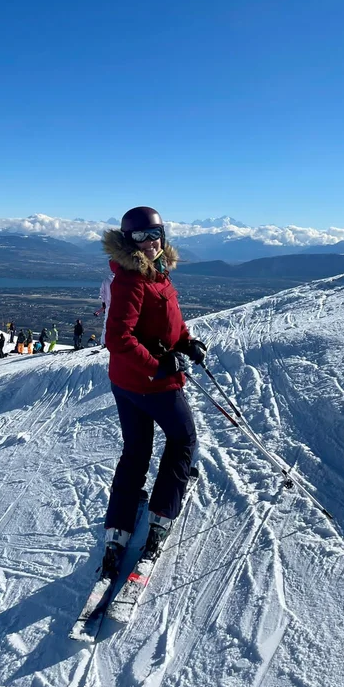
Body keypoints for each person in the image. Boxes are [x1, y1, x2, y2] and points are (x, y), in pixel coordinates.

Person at [99, 206, 207, 579]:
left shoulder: (157, 273)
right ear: (128, 241)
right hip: (151, 383)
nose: (149, 242)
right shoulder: (131, 280)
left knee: (137, 449)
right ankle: (161, 516)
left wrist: (187, 342)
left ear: (163, 235)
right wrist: (159, 366)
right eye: (140, 236)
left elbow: (169, 321)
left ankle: (118, 530)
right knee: (182, 439)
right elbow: (118, 338)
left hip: (128, 382)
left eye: (154, 234)